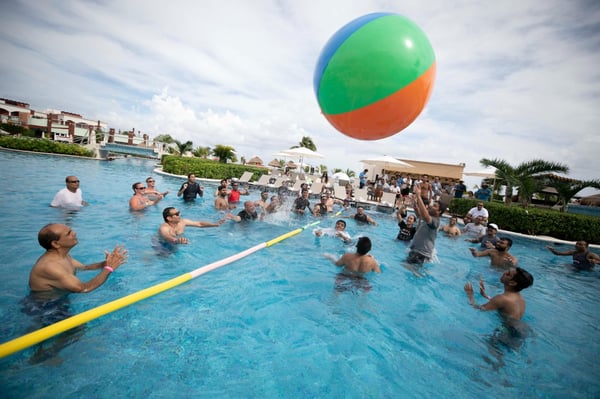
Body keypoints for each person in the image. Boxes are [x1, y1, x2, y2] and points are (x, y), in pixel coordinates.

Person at [29, 224, 128, 293]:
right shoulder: (51, 267)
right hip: (44, 306)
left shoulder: (62, 256)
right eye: (68, 233)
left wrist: (106, 263)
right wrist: (109, 269)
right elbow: (83, 288)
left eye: (71, 230)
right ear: (55, 244)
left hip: (57, 299)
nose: (74, 233)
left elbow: (84, 268)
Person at [464, 267, 534, 321]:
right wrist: (485, 295)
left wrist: (470, 295)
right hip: (518, 329)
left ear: (512, 283)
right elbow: (503, 305)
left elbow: (479, 309)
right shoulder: (521, 299)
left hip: (508, 333)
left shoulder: (501, 298)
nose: (504, 272)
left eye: (508, 274)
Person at [405, 181, 444, 266]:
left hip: (422, 254)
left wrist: (419, 196)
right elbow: (419, 214)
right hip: (415, 251)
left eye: (435, 206)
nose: (431, 206)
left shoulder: (436, 221)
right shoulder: (430, 218)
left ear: (439, 212)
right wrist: (415, 203)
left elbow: (425, 215)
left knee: (413, 273)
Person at [158, 207, 226, 244]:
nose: (180, 215)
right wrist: (176, 240)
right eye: (177, 214)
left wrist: (215, 224)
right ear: (169, 218)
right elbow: (166, 236)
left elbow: (199, 224)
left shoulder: (182, 222)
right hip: (163, 245)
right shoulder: (164, 227)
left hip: (177, 242)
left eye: (179, 213)